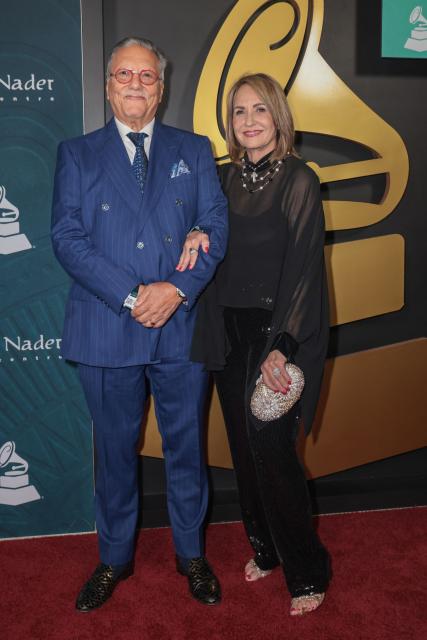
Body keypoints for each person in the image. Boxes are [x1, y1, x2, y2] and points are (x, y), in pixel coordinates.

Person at [51, 37, 228, 611]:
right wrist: (133, 297)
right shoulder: (76, 154)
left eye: (146, 76)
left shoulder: (195, 150)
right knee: (115, 454)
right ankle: (113, 558)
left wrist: (175, 289)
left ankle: (190, 553)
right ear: (107, 86)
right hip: (107, 327)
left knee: (185, 447)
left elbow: (215, 227)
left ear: (162, 88)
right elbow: (67, 239)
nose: (135, 84)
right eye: (124, 74)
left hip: (179, 327)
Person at [186, 73, 330, 616]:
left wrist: (282, 346)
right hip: (227, 329)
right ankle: (266, 549)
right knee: (244, 451)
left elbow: (304, 269)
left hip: (282, 332)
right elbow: (200, 230)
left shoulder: (299, 180)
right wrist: (196, 233)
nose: (248, 121)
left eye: (259, 110)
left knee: (272, 449)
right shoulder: (219, 180)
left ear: (278, 118)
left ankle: (308, 568)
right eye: (239, 112)